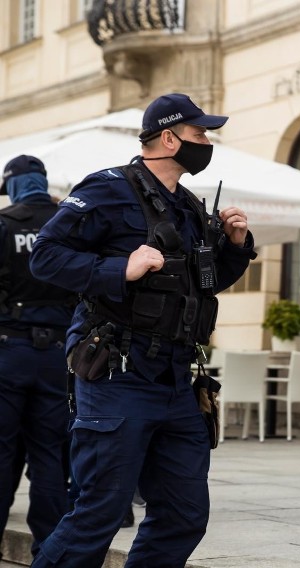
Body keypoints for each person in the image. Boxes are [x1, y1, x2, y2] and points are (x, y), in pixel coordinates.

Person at [27, 93, 257, 568]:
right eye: (199, 135)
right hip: (119, 373)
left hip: (177, 380)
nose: (206, 142)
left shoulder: (189, 205)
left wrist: (235, 247)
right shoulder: (107, 188)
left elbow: (200, 285)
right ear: (169, 138)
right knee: (101, 512)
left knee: (184, 513)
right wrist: (120, 268)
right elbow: (45, 256)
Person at [0, 155, 76, 561]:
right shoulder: (69, 224)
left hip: (8, 350)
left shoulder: (5, 223)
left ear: (13, 185)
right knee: (50, 455)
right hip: (58, 357)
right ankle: (50, 552)